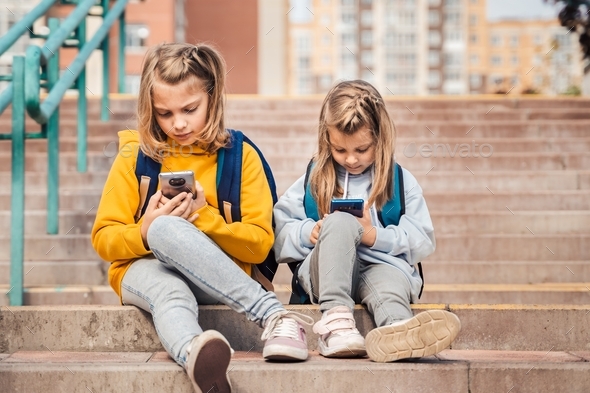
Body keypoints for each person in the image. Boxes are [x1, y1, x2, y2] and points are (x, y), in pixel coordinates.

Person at [91, 43, 312, 393]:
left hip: (221, 277)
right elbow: (104, 238)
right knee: (169, 286)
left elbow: (258, 247)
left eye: (190, 109)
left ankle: (256, 322)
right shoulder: (135, 156)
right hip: (142, 271)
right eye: (164, 113)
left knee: (168, 231)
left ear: (213, 98)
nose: (177, 124)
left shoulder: (242, 158)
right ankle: (200, 352)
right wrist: (145, 232)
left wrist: (204, 217)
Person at [273, 80, 461, 362]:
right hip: (325, 274)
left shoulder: (399, 180)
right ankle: (335, 323)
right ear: (327, 141)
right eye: (340, 150)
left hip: (382, 266)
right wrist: (309, 232)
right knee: (340, 222)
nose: (350, 159)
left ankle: (398, 330)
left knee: (389, 285)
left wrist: (373, 234)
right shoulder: (313, 179)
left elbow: (422, 239)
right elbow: (278, 233)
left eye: (362, 150)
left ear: (380, 139)